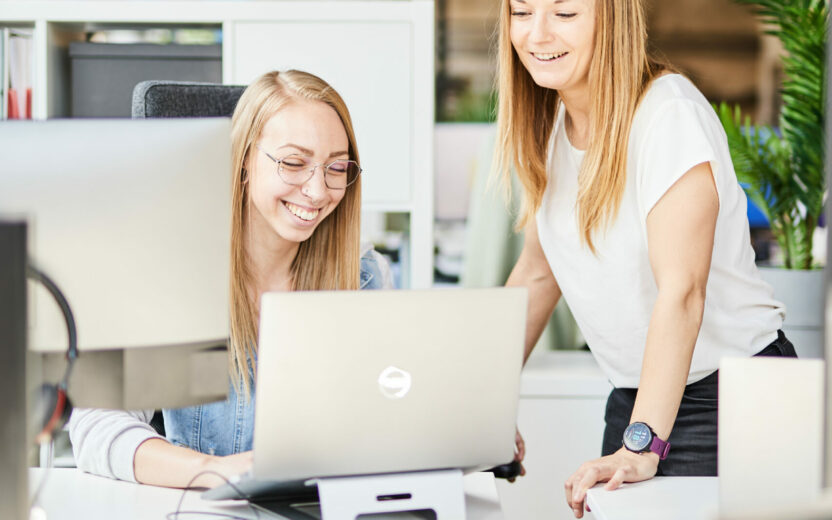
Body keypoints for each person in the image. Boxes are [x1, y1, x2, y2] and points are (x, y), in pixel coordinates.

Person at [494, 0, 794, 517]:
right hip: (636, 400)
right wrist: (479, 404)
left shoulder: (667, 114)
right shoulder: (553, 122)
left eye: (564, 13)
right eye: (522, 12)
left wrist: (643, 446)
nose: (537, 34)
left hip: (729, 402)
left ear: (610, 18)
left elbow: (681, 292)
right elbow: (539, 272)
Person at [68, 70, 393, 488]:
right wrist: (218, 471)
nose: (317, 191)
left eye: (335, 167)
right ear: (242, 163)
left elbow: (389, 414)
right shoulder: (172, 276)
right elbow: (97, 427)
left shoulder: (363, 278)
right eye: (294, 163)